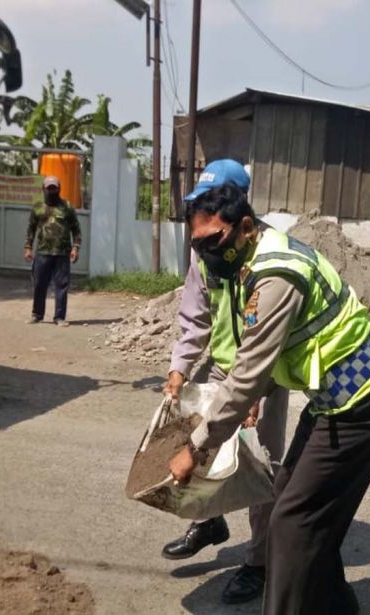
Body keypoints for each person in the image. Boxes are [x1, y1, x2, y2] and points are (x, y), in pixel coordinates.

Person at [167, 170, 370, 615]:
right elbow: (268, 356)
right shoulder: (247, 265)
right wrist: (255, 391)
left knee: (292, 525)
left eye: (213, 243)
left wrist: (195, 449)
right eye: (197, 246)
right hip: (332, 401)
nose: (206, 255)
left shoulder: (275, 275)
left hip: (359, 405)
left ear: (247, 227)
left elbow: (248, 372)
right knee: (303, 517)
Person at [161, 160, 289, 605]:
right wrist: (179, 369)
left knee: (261, 469)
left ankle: (258, 562)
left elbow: (274, 337)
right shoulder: (205, 251)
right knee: (203, 448)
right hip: (221, 369)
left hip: (266, 374)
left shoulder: (269, 255)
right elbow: (194, 319)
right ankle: (209, 521)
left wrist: (255, 392)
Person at [24, 176, 82, 326]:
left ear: (59, 189)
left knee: (61, 285)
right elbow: (31, 229)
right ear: (43, 189)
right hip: (42, 253)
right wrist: (28, 247)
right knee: (39, 284)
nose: (51, 191)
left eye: (54, 188)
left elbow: (76, 230)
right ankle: (37, 314)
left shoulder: (67, 207)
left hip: (62, 254)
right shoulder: (37, 207)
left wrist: (75, 247)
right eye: (49, 188)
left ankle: (59, 317)